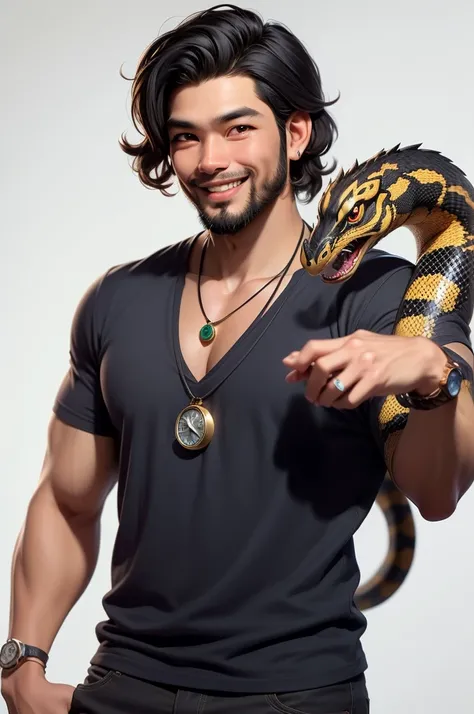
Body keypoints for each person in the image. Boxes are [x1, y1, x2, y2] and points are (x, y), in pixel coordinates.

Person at [2, 4, 474, 714]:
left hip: (295, 696)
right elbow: (67, 501)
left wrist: (433, 373)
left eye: (237, 128)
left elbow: (435, 494)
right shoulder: (120, 297)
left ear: (295, 132)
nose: (210, 160)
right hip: (120, 687)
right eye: (186, 137)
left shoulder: (379, 295)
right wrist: (20, 662)